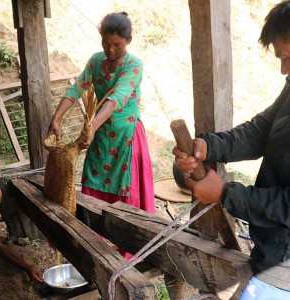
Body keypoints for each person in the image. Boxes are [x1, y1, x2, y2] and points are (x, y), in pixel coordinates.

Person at [173, 1, 290, 299]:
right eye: (281, 59)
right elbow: (262, 130)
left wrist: (226, 194)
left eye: (288, 58)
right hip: (272, 249)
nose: (284, 70)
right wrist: (209, 146)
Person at [48, 12, 155, 259]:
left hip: (126, 139)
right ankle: (95, 245)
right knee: (94, 186)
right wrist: (57, 117)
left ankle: (127, 247)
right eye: (106, 43)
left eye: (117, 44)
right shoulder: (96, 62)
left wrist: (91, 126)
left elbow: (117, 97)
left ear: (128, 40)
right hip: (99, 136)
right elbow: (78, 88)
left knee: (124, 189)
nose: (110, 49)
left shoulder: (133, 65)